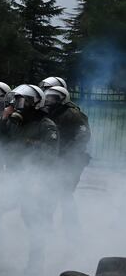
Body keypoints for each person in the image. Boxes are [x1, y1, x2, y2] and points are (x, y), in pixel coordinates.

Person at [0, 84, 59, 273]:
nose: (17, 104)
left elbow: (50, 156)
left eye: (22, 101)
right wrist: (4, 118)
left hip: (34, 182)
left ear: (35, 103)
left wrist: (27, 152)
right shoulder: (14, 121)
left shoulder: (46, 125)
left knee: (35, 223)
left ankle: (35, 265)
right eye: (15, 100)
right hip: (14, 178)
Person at [44, 85, 90, 230]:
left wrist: (66, 153)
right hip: (56, 159)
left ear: (62, 99)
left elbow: (83, 136)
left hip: (70, 161)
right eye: (48, 97)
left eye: (53, 97)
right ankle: (49, 224)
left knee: (63, 193)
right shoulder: (50, 112)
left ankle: (71, 227)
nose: (49, 100)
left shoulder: (72, 114)